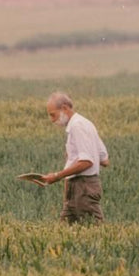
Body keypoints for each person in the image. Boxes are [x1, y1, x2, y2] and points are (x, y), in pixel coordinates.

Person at [40, 92, 110, 225]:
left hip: (82, 188)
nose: (52, 119)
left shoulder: (78, 126)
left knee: (92, 233)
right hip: (78, 188)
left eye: (53, 114)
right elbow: (104, 160)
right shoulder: (86, 123)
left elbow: (87, 162)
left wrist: (57, 176)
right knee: (64, 234)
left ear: (65, 108)